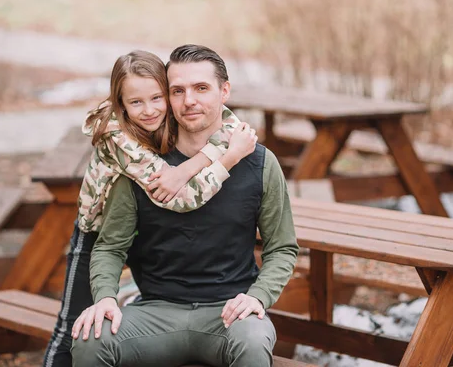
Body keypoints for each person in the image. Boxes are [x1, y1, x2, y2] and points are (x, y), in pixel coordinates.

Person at [71, 44, 299, 367]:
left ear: (225, 91)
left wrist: (257, 297)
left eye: (201, 88)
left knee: (253, 340)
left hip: (229, 313)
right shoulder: (142, 166)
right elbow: (110, 247)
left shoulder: (260, 164)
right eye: (177, 90)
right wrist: (106, 297)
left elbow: (283, 248)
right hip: (154, 313)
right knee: (91, 339)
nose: (189, 100)